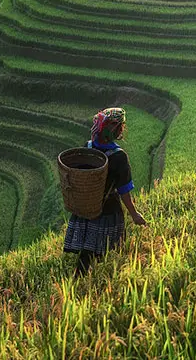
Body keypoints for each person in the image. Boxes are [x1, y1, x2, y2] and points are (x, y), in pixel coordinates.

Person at [63, 108, 147, 277]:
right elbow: (124, 191)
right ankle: (85, 283)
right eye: (121, 127)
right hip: (107, 210)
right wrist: (134, 214)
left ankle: (80, 280)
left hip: (85, 208)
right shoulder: (118, 157)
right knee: (99, 252)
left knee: (87, 250)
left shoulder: (87, 148)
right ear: (116, 129)